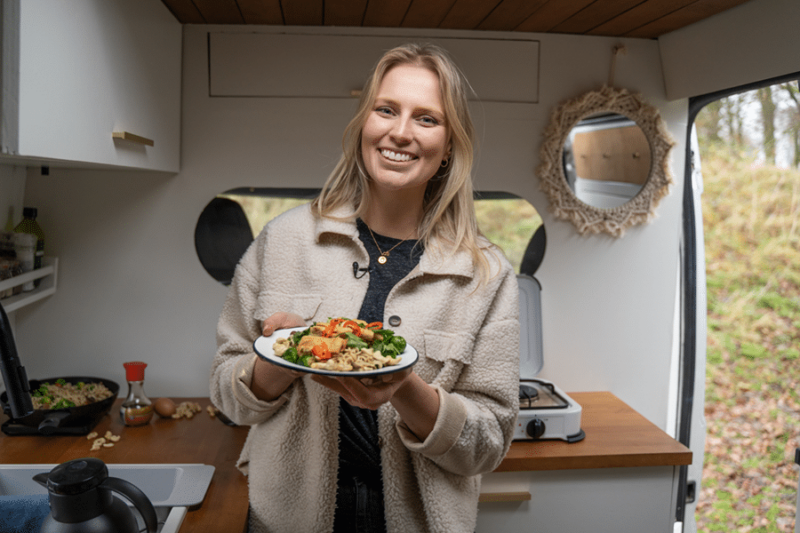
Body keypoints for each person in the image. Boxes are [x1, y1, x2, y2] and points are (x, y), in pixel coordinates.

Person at [210, 43, 520, 533]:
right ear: (363, 127)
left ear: (448, 147)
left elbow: (489, 442)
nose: (400, 131)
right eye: (387, 110)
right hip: (285, 520)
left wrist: (405, 388)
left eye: (427, 119)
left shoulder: (485, 273)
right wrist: (279, 361)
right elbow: (225, 395)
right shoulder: (283, 242)